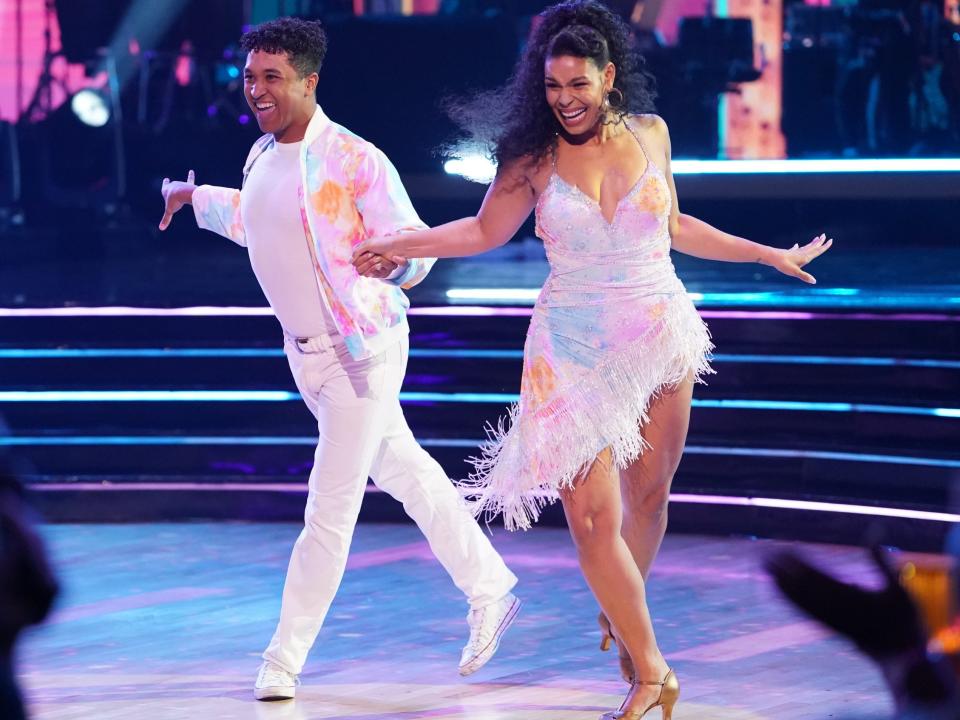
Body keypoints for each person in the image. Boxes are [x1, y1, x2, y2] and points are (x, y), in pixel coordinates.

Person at [352, 2, 832, 717]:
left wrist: (768, 254)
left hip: (656, 329)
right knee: (587, 519)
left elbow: (674, 225)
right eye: (553, 86)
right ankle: (651, 670)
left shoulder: (650, 133)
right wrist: (401, 244)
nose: (565, 100)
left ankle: (624, 608)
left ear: (609, 77)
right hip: (569, 348)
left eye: (578, 84)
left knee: (650, 495)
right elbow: (483, 230)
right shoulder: (532, 157)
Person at [157, 17, 520, 702]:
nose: (256, 90)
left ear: (308, 81)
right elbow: (257, 222)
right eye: (250, 77)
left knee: (330, 508)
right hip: (307, 360)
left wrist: (394, 268)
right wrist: (194, 198)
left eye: (272, 78)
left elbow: (416, 249)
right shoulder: (262, 155)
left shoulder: (356, 160)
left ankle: (282, 659)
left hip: (363, 354)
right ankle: (491, 586)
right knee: (408, 472)